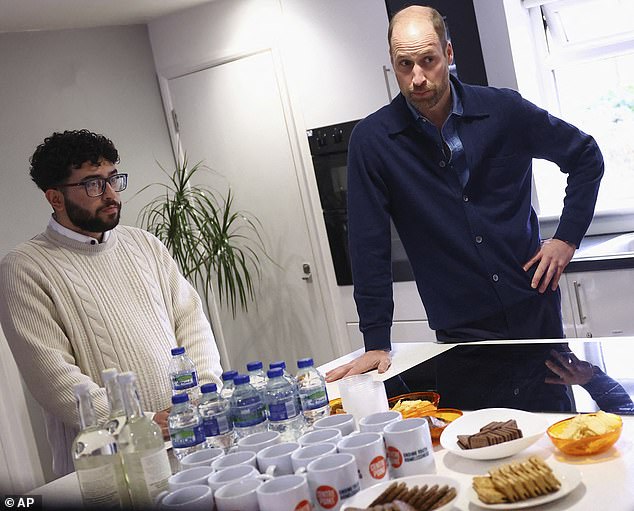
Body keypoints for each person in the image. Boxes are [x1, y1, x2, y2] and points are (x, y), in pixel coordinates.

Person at [326, 6, 604, 382]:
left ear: (449, 53)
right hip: (462, 332)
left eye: (428, 60)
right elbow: (367, 245)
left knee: (554, 431)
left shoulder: (504, 110)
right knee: (481, 434)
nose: (417, 79)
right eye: (404, 65)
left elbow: (585, 156)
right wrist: (376, 341)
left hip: (535, 310)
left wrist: (567, 238)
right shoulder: (373, 142)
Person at [0, 130, 223, 476]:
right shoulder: (25, 267)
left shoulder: (144, 245)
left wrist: (203, 393)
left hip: (189, 441)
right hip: (108, 466)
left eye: (113, 179)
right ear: (55, 198)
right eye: (93, 184)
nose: (111, 194)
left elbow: (191, 321)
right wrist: (143, 423)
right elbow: (55, 380)